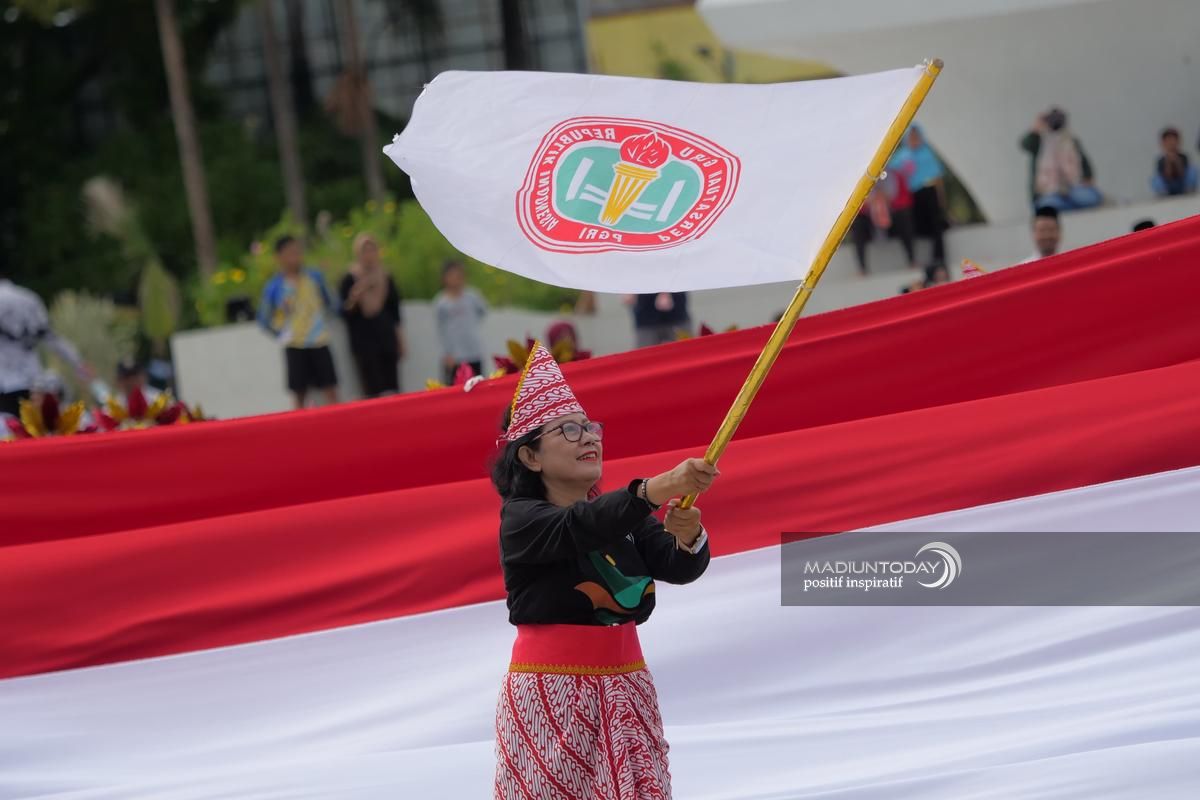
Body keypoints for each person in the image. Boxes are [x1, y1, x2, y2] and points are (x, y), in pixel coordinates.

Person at [490, 342, 716, 798]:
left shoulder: (620, 516)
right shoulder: (522, 519)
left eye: (591, 428)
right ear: (531, 457)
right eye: (570, 430)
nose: (590, 438)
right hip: (553, 694)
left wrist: (688, 534)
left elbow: (677, 565)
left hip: (627, 684)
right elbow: (580, 526)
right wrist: (658, 487)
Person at [257, 235, 339, 409]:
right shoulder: (274, 286)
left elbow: (332, 303)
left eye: (297, 251)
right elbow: (264, 319)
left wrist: (323, 321)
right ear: (279, 257)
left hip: (319, 340)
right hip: (294, 344)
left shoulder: (314, 277)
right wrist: (281, 335)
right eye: (290, 253)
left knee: (330, 389)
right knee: (299, 393)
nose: (295, 256)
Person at [0, 271, 91, 417]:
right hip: (34, 381)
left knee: (9, 429)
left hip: (6, 383)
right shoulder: (29, 298)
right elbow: (51, 338)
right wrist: (78, 363)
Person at [339, 233, 404, 398]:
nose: (369, 255)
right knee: (372, 389)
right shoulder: (350, 278)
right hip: (364, 341)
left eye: (372, 250)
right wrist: (355, 297)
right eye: (364, 251)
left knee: (392, 388)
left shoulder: (385, 276)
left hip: (386, 337)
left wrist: (400, 339)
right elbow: (344, 311)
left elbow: (395, 311)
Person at [888, 124, 948, 267]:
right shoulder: (901, 156)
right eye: (911, 136)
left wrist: (942, 199)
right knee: (915, 226)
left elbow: (937, 178)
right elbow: (891, 174)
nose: (914, 139)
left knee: (936, 225)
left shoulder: (927, 153)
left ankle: (938, 257)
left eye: (916, 136)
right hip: (912, 196)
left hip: (929, 191)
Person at [1020, 107, 1102, 212]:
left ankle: (1069, 204)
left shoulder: (1071, 141)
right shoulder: (1039, 142)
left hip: (1074, 188)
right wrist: (1036, 127)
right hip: (1048, 192)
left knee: (1089, 198)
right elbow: (1025, 145)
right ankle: (1068, 206)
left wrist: (1087, 178)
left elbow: (1085, 164)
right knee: (1049, 205)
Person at [434, 259, 487, 384]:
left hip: (474, 353)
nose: (456, 279)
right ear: (444, 278)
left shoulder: (473, 297)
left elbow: (482, 312)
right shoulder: (441, 302)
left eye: (459, 275)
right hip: (454, 357)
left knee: (478, 387)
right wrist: (447, 353)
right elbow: (441, 330)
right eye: (452, 275)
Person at [1151, 127, 1197, 197]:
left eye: (1173, 140)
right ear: (1163, 143)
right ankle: (1163, 194)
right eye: (1168, 141)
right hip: (1169, 186)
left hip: (1182, 185)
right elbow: (1167, 176)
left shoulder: (1183, 157)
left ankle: (1189, 191)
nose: (1171, 143)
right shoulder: (1161, 160)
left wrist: (1176, 160)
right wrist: (1168, 162)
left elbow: (1182, 174)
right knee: (1155, 179)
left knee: (1193, 170)